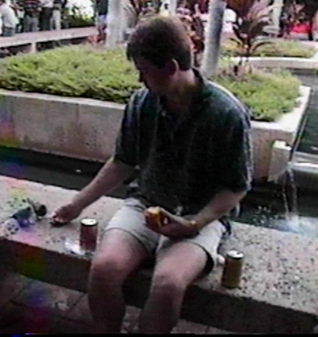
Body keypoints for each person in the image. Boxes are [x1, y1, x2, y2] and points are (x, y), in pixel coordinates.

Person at [51, 16, 253, 334]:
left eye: (144, 70)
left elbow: (237, 186)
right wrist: (76, 205)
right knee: (103, 269)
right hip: (144, 206)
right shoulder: (142, 104)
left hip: (200, 218)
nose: (140, 79)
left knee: (168, 285)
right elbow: (122, 163)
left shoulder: (226, 113)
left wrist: (194, 223)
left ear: (171, 67)